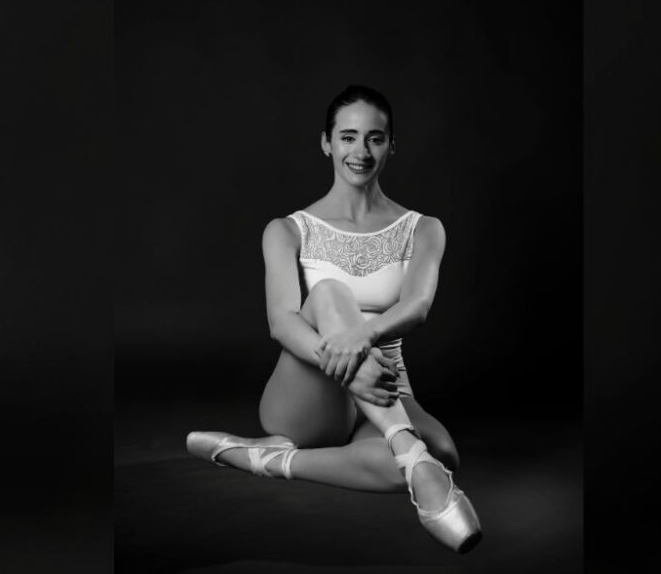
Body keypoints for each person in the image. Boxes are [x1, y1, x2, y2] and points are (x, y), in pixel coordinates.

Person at [186, 85, 481, 553]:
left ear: (391, 146)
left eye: (374, 138)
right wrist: (348, 357)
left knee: (443, 453)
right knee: (329, 292)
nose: (360, 151)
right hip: (308, 391)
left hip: (383, 382)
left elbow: (417, 307)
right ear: (326, 142)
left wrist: (362, 341)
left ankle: (268, 459)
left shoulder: (423, 228)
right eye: (347, 137)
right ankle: (405, 444)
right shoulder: (286, 229)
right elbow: (282, 322)